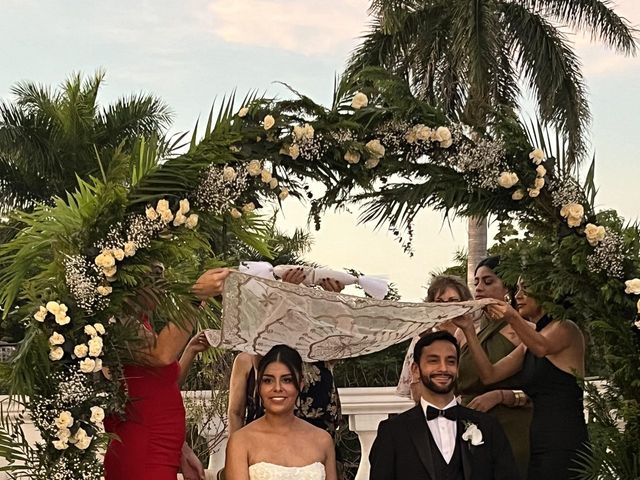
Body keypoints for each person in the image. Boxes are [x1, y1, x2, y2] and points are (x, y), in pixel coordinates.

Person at [104, 267, 231, 480]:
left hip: (162, 450)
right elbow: (161, 354)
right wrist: (195, 296)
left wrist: (181, 448)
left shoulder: (141, 324)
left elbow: (160, 387)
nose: (161, 287)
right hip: (143, 452)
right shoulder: (117, 325)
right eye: (153, 278)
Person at [455, 278, 588, 479]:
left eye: (525, 288)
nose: (518, 296)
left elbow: (542, 348)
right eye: (517, 289)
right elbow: (489, 375)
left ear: (550, 291)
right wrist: (469, 331)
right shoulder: (533, 339)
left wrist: (511, 316)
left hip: (563, 437)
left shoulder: (566, 328)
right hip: (536, 436)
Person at [370, 331, 520, 480]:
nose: (443, 368)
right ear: (415, 370)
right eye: (433, 361)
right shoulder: (392, 432)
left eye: (450, 361)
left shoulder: (489, 427)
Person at [227, 268, 342, 437]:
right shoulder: (254, 356)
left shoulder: (318, 352)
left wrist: (334, 301)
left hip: (318, 447)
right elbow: (235, 413)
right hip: (268, 445)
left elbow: (342, 338)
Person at [456, 256, 532, 477]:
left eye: (488, 282)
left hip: (511, 423)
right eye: (477, 282)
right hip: (468, 420)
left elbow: (537, 388)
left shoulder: (526, 331)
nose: (479, 288)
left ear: (507, 287)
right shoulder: (462, 330)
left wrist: (500, 396)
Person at [225, 344, 338, 480]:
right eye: (268, 380)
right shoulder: (241, 441)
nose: (277, 388)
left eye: (287, 380)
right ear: (259, 385)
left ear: (301, 384)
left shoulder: (323, 440)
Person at [396, 275, 473, 402]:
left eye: (452, 300)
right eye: (440, 302)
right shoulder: (421, 336)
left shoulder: (473, 333)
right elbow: (415, 391)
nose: (446, 306)